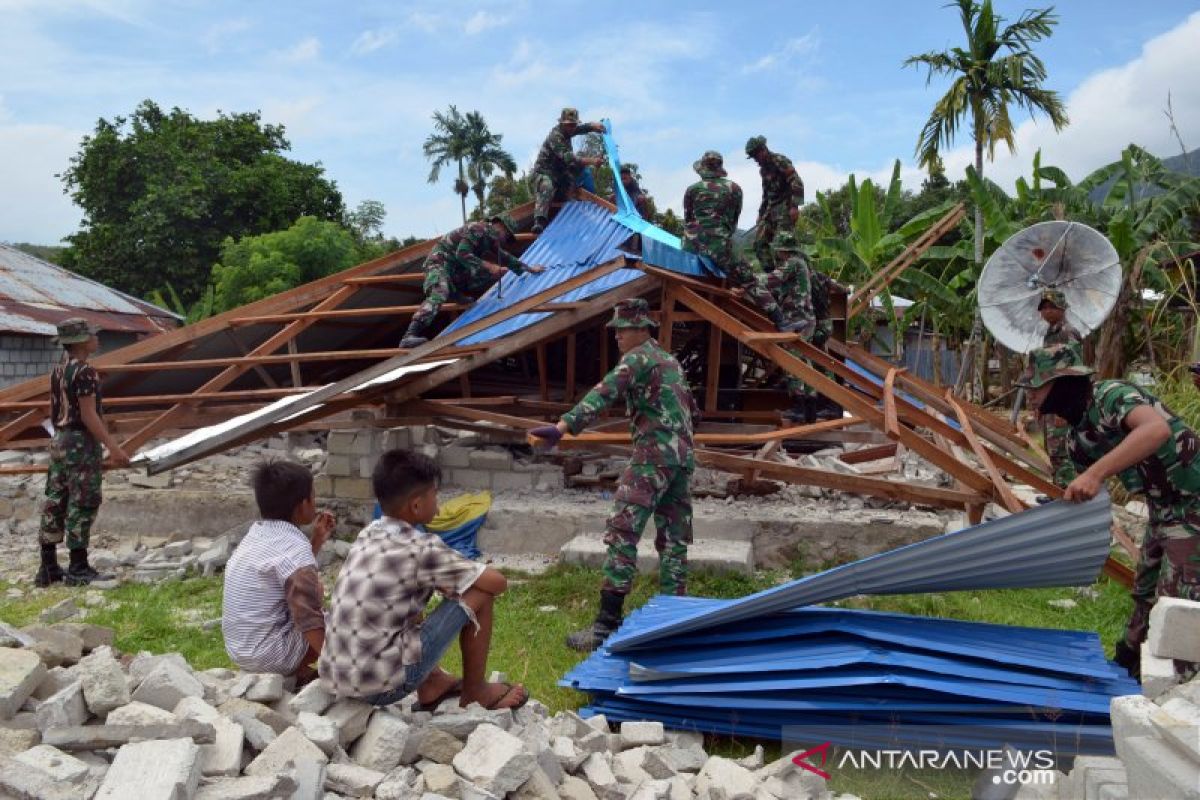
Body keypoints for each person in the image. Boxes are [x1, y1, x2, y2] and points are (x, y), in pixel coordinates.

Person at [1020, 342, 1200, 680]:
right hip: (1163, 509)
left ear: (1062, 381)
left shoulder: (1111, 395)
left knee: (1178, 602)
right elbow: (1086, 495)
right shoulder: (1078, 438)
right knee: (1145, 591)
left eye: (1036, 387)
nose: (1030, 396)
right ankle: (1129, 665)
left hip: (1194, 503)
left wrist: (1094, 473)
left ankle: (1179, 686)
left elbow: (1156, 430)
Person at [529, 299, 699, 651]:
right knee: (674, 540)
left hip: (653, 457)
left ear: (640, 328)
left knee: (622, 534)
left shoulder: (637, 359)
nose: (617, 337)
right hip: (682, 460)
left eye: (621, 330)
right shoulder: (670, 360)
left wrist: (562, 427)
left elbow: (603, 393)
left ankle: (606, 626)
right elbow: (689, 408)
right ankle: (674, 620)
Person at [320, 449, 526, 710]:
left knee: (406, 600)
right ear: (416, 505)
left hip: (337, 676)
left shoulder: (369, 533)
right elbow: (498, 583)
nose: (438, 505)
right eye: (435, 496)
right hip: (382, 687)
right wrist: (465, 573)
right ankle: (476, 691)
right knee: (479, 593)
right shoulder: (422, 548)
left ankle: (432, 684)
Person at [222, 461, 335, 685]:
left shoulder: (256, 534)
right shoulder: (295, 549)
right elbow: (308, 617)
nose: (316, 502)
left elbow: (287, 570)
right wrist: (337, 661)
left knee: (308, 588)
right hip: (270, 655)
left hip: (240, 650)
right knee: (336, 613)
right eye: (313, 496)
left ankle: (296, 674)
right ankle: (305, 671)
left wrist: (317, 540)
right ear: (303, 505)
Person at [36, 318, 129, 588]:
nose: (96, 339)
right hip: (79, 442)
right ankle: (78, 567)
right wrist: (113, 447)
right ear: (80, 341)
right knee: (83, 501)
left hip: (59, 441)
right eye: (92, 335)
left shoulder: (58, 370)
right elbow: (89, 414)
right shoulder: (86, 372)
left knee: (55, 499)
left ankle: (48, 566)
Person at [398, 213, 542, 349]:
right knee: (440, 291)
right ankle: (409, 335)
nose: (505, 240)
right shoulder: (478, 228)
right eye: (506, 235)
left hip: (453, 271)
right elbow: (462, 254)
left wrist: (529, 269)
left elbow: (505, 257)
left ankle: (456, 293)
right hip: (438, 264)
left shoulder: (490, 240)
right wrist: (490, 266)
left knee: (484, 273)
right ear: (499, 225)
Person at [683, 151, 786, 328]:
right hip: (720, 246)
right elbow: (732, 222)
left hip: (691, 246)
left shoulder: (692, 190)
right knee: (750, 280)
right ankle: (780, 320)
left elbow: (688, 219)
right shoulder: (734, 189)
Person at [530, 108, 606, 233]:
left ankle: (583, 206)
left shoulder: (569, 130)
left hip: (560, 174)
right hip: (544, 173)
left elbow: (581, 129)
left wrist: (593, 126)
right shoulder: (555, 136)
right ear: (562, 124)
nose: (572, 128)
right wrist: (592, 161)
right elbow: (569, 157)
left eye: (574, 125)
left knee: (578, 174)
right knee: (547, 186)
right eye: (570, 125)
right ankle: (539, 220)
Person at [1038, 288, 1083, 487]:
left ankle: (1066, 494)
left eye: (1051, 307)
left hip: (1063, 400)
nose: (1046, 311)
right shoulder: (1050, 333)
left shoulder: (1067, 332)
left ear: (1062, 308)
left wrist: (1063, 409)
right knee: (1052, 448)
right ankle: (1057, 490)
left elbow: (1073, 370)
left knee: (1062, 450)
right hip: (1051, 397)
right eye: (1044, 308)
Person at [746, 135, 804, 273]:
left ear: (763, 150)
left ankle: (788, 276)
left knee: (781, 245)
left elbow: (796, 181)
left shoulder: (779, 160)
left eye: (756, 155)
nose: (755, 159)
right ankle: (772, 276)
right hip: (771, 210)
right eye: (753, 156)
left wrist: (794, 206)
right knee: (759, 243)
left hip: (785, 207)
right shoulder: (763, 170)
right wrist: (760, 215)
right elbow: (766, 194)